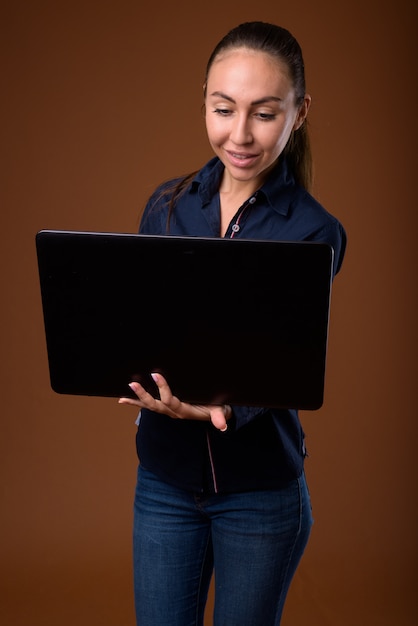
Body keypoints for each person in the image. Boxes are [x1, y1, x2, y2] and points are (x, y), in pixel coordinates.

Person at [119, 21, 346, 626]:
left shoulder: (315, 232)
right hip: (164, 482)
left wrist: (218, 410)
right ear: (205, 102)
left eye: (264, 113)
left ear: (298, 114)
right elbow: (147, 328)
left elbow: (286, 363)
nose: (239, 134)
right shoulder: (166, 205)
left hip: (260, 495)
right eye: (223, 109)